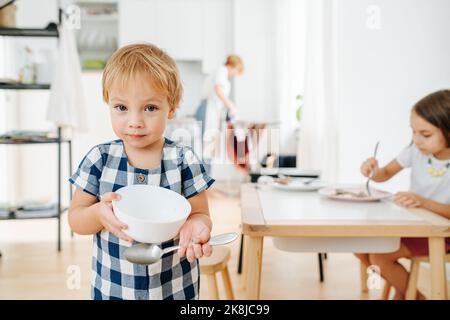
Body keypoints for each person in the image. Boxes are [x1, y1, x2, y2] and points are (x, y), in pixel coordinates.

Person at [68, 43, 215, 300]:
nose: (134, 121)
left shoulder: (183, 160)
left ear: (171, 107)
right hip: (114, 289)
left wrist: (197, 225)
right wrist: (97, 214)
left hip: (174, 288)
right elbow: (76, 219)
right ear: (108, 104)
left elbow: (201, 213)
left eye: (150, 108)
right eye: (121, 108)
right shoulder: (99, 160)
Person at [355, 89, 450, 300]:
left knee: (379, 256)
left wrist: (423, 203)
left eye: (425, 134)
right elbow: (386, 173)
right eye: (413, 132)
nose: (416, 140)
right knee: (359, 245)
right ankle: (406, 290)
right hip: (416, 225)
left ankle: (413, 297)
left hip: (442, 233)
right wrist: (374, 171)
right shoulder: (416, 151)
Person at [195, 55, 244, 175]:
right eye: (237, 71)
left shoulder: (222, 74)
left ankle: (207, 178)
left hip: (212, 111)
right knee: (208, 144)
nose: (234, 74)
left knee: (210, 145)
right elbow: (218, 89)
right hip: (208, 109)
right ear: (234, 66)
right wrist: (231, 106)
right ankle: (204, 179)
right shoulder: (222, 70)